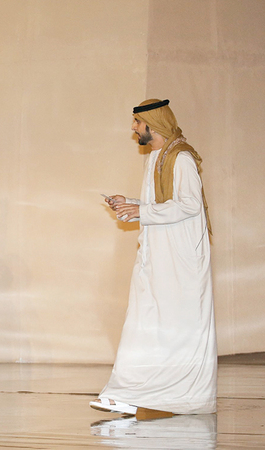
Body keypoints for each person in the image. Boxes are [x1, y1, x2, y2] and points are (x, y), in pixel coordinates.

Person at [90, 99, 215, 415]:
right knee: (144, 322)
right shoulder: (156, 157)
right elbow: (157, 204)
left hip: (180, 260)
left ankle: (181, 397)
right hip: (156, 254)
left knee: (174, 327)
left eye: (137, 122)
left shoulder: (181, 157)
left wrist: (141, 211)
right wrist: (131, 204)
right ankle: (128, 392)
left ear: (153, 124)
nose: (133, 128)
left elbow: (190, 205)